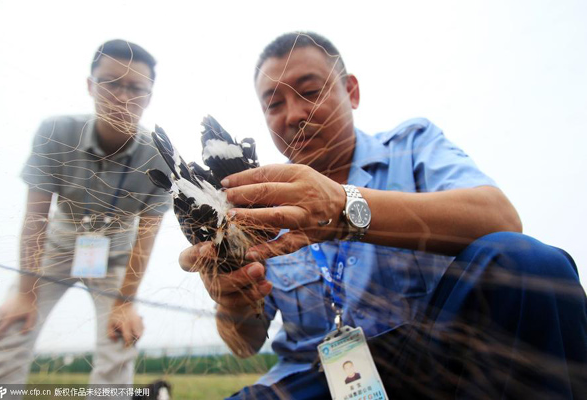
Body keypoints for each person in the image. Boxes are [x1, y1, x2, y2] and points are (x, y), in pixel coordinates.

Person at [180, 32, 587, 399]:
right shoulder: (256, 202)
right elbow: (244, 344)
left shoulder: (412, 148)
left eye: (310, 91)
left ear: (351, 91)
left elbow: (501, 219)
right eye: (273, 103)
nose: (293, 114)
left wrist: (344, 208)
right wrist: (230, 299)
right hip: (315, 380)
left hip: (432, 364)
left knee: (529, 263)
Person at [0, 40, 171, 391]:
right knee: (11, 325)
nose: (121, 95)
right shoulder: (55, 131)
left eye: (135, 87)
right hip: (55, 247)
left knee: (120, 338)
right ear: (90, 85)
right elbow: (35, 217)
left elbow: (147, 236)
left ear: (149, 96)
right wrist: (26, 293)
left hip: (117, 256)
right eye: (110, 82)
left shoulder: (158, 155)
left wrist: (125, 303)